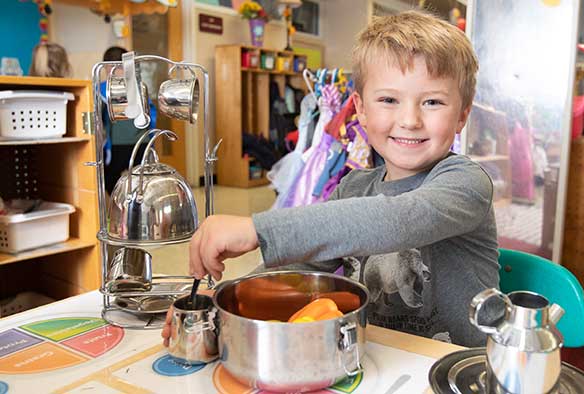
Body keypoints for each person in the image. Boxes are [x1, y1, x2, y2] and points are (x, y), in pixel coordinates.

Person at [163, 10, 499, 347]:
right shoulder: (353, 187)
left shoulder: (466, 183)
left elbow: (399, 219)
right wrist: (225, 299)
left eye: (432, 102)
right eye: (388, 100)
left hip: (457, 373)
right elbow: (299, 270)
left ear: (462, 116)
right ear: (362, 110)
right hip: (374, 362)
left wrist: (257, 229)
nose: (409, 119)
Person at [100, 46, 156, 194]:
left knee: (111, 180)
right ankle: (134, 209)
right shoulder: (139, 87)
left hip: (118, 145)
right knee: (141, 181)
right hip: (141, 141)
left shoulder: (102, 89)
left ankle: (119, 208)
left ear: (107, 66)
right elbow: (151, 116)